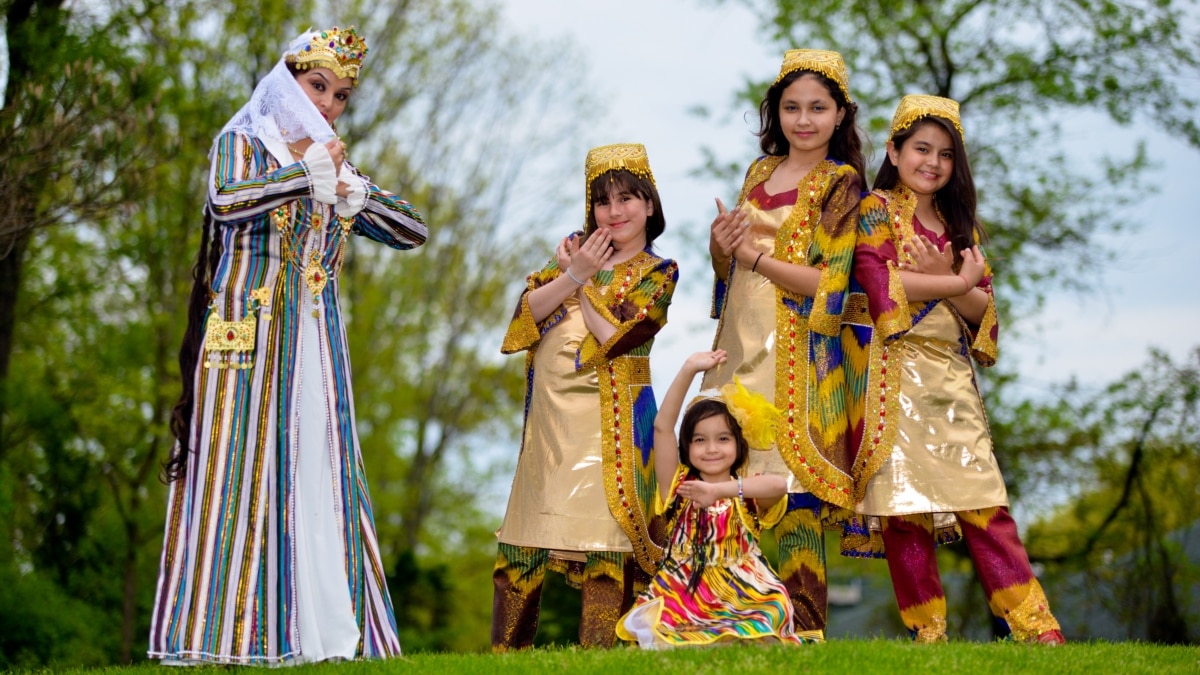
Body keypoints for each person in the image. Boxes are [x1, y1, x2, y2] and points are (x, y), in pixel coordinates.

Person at [149, 27, 426, 664]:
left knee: (317, 469)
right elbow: (224, 200)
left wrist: (355, 193)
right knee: (240, 470)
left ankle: (319, 631)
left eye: (341, 96)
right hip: (243, 337)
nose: (328, 104)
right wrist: (306, 177)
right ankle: (228, 632)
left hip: (314, 341)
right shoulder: (244, 141)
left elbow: (413, 230)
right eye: (318, 86)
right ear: (288, 81)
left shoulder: (335, 163)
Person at [848, 94, 1065, 644]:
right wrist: (955, 282)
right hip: (890, 375)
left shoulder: (959, 224)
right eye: (921, 148)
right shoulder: (873, 210)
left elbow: (984, 316)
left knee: (985, 504)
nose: (933, 162)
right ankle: (928, 636)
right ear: (894, 151)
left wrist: (956, 283)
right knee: (904, 511)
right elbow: (881, 286)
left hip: (950, 378)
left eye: (946, 154)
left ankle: (1037, 629)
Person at [700, 49, 866, 641]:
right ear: (776, 112)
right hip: (737, 348)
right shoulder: (756, 173)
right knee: (719, 480)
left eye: (818, 108)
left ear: (841, 114)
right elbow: (729, 272)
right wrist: (721, 248)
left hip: (798, 358)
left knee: (793, 492)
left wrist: (753, 257)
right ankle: (718, 624)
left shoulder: (841, 185)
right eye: (792, 107)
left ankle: (807, 631)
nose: (804, 119)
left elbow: (833, 284)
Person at [492, 143, 678, 650]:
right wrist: (574, 274)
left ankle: (600, 655)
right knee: (524, 538)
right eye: (603, 202)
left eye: (628, 199)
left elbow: (616, 338)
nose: (614, 212)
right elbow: (520, 326)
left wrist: (583, 281)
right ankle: (505, 655)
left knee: (609, 547)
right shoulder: (567, 265)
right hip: (550, 427)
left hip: (616, 426)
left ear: (650, 205)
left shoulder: (658, 273)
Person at [616, 350, 804, 649]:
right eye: (699, 440)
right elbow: (663, 428)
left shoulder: (747, 489)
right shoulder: (678, 486)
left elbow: (779, 485)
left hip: (742, 588)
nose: (711, 449)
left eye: (723, 438)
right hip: (686, 587)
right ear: (687, 446)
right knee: (665, 627)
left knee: (773, 606)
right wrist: (689, 368)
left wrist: (720, 491)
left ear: (739, 443)